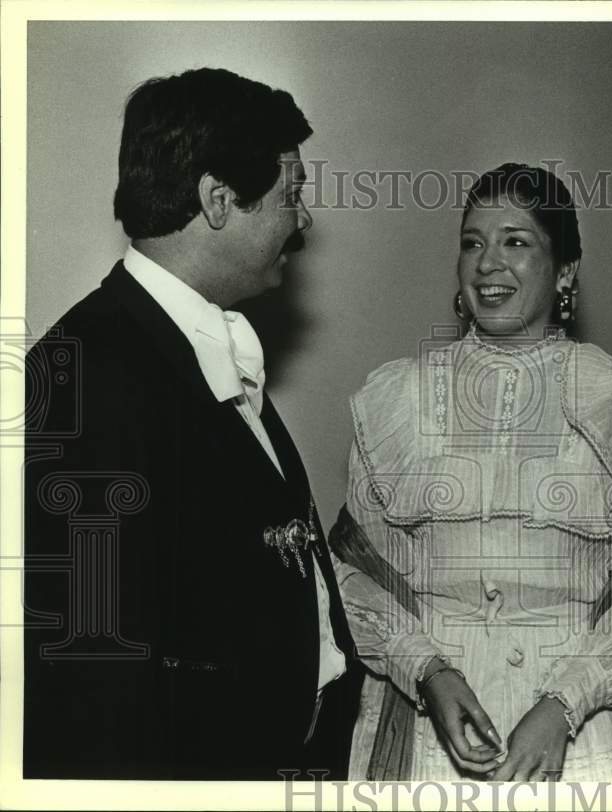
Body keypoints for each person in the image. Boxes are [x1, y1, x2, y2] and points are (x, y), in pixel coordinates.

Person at [23, 67, 361, 779]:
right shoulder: (86, 367)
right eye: (290, 196)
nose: (301, 221)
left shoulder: (197, 340)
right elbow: (93, 670)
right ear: (217, 201)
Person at [329, 163, 612, 781]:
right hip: (425, 738)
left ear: (566, 269)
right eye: (473, 242)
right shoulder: (396, 401)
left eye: (516, 242)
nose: (487, 264)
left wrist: (564, 703)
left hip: (576, 746)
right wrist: (427, 671)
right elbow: (358, 578)